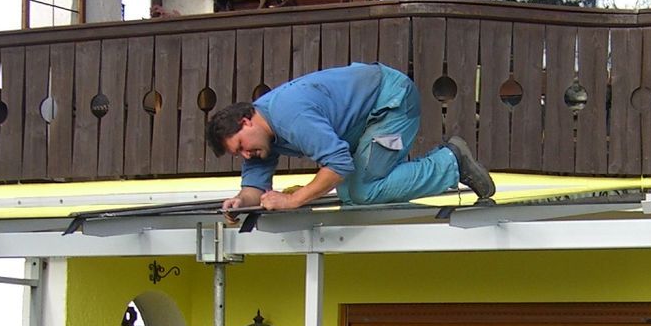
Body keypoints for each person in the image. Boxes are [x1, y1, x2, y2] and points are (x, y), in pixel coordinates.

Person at [206, 62, 495, 212]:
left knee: (360, 190)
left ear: (246, 122)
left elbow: (339, 165)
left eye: (241, 147)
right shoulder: (261, 139)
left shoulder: (290, 115)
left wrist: (294, 200)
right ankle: (405, 167)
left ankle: (451, 162)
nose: (245, 155)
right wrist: (241, 202)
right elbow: (254, 187)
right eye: (238, 154)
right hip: (364, 118)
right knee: (347, 192)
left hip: (391, 102)